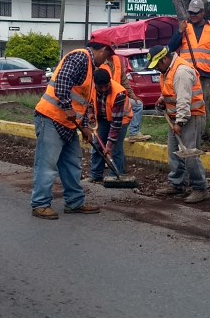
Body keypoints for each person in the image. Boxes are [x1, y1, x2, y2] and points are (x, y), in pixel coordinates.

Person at [30, 36, 116, 219]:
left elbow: (82, 103)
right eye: (107, 56)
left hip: (68, 123)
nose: (107, 61)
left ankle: (75, 202)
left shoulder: (91, 70)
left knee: (72, 163)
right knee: (47, 164)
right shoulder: (80, 57)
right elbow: (62, 81)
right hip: (51, 118)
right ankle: (40, 204)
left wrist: (85, 128)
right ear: (102, 50)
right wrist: (67, 107)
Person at [147, 44, 208, 203]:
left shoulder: (182, 72)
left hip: (190, 117)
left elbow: (184, 100)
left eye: (157, 65)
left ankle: (200, 187)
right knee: (174, 152)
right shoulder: (167, 70)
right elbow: (171, 90)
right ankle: (176, 183)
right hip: (175, 117)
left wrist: (179, 123)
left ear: (165, 59)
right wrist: (162, 100)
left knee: (190, 154)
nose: (157, 69)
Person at [167, 0, 210, 139]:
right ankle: (186, 130)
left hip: (205, 74)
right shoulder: (184, 27)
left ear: (203, 13)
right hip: (186, 74)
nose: (193, 16)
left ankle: (202, 133)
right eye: (191, 13)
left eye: (196, 13)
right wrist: (179, 32)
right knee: (186, 103)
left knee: (202, 106)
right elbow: (171, 48)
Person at [85, 68, 133, 183]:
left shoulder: (119, 93)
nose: (104, 89)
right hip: (102, 118)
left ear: (109, 82)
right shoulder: (91, 87)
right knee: (97, 145)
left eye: (106, 86)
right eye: (100, 87)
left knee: (115, 148)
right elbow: (89, 101)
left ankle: (116, 176)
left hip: (121, 120)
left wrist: (109, 144)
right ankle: (95, 174)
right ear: (95, 84)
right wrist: (91, 112)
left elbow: (116, 123)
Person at [100, 51, 150, 143]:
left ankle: (134, 133)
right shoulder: (100, 63)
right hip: (105, 98)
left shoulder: (117, 60)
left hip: (118, 96)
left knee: (137, 104)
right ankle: (132, 133)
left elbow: (124, 81)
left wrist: (132, 95)